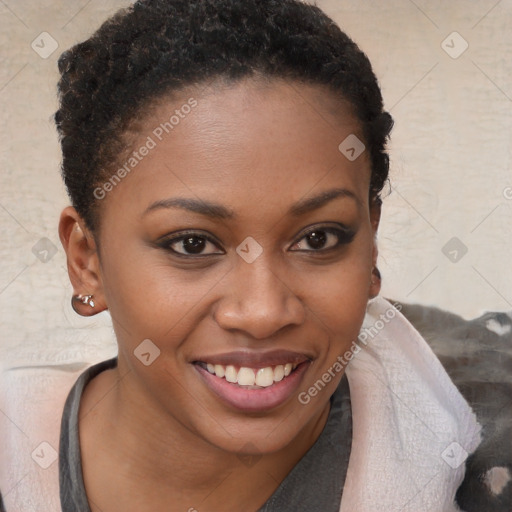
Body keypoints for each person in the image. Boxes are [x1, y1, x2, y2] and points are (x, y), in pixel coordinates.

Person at [3, 0, 504, 510]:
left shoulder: (483, 439)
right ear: (87, 261)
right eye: (192, 244)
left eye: (318, 238)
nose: (263, 313)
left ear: (370, 240)